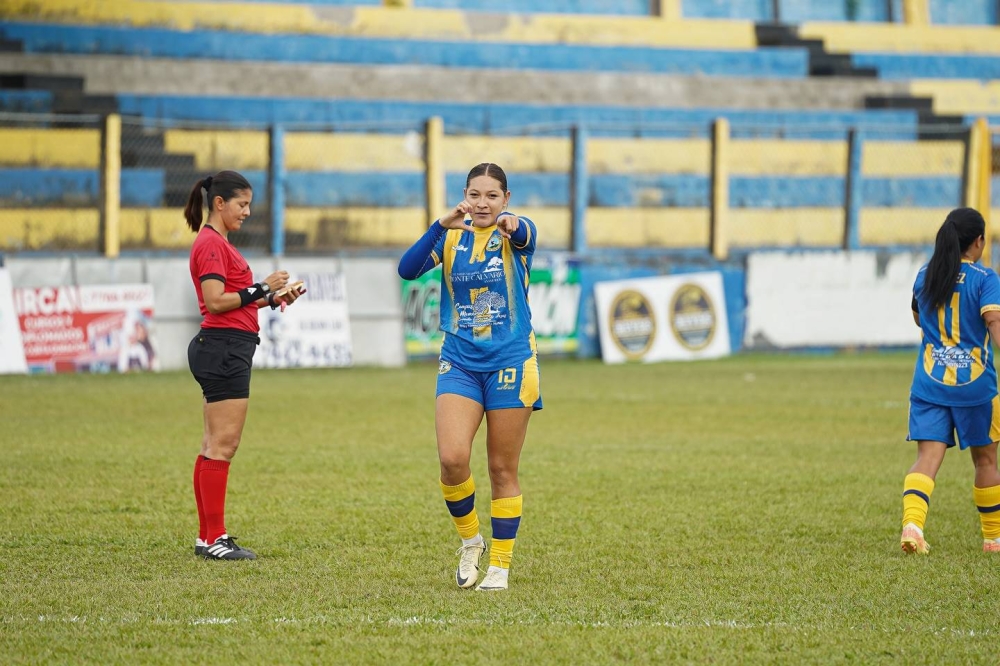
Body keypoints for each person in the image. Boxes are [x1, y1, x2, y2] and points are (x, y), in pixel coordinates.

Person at [398, 163, 541, 591]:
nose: (482, 203)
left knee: (501, 467)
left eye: (491, 196)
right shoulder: (452, 235)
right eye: (474, 195)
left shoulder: (516, 231)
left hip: (512, 362)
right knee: (452, 458)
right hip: (459, 360)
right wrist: (439, 224)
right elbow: (407, 269)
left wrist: (511, 224)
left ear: (506, 198)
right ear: (464, 195)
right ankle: (471, 542)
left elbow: (524, 233)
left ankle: (500, 564)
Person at [183, 170, 302, 560]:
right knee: (223, 445)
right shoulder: (212, 244)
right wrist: (262, 287)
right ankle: (214, 539)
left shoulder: (217, 243)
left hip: (224, 345)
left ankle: (208, 537)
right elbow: (216, 301)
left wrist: (274, 299)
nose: (247, 211)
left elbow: (236, 301)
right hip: (224, 348)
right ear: (219, 203)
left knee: (212, 445)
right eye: (242, 204)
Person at [901, 207, 1000, 555]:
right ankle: (993, 539)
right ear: (978, 242)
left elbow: (918, 318)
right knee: (986, 461)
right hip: (975, 386)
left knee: (927, 458)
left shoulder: (926, 275)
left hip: (930, 380)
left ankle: (913, 526)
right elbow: (994, 324)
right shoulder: (986, 279)